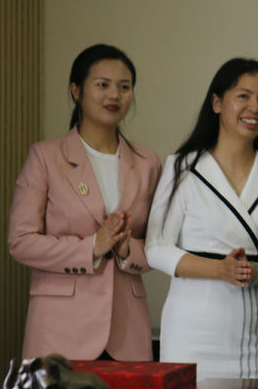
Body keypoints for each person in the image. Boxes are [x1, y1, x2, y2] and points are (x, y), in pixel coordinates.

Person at [8, 44, 161, 361]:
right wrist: (91, 247)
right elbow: (21, 242)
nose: (114, 95)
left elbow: (161, 246)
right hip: (59, 330)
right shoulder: (45, 157)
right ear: (76, 90)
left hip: (126, 333)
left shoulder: (147, 163)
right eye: (103, 85)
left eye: (124, 87)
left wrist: (127, 250)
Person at [146, 59, 258, 380]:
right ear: (216, 103)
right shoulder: (182, 167)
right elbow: (156, 248)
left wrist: (255, 272)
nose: (254, 107)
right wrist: (220, 270)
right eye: (243, 96)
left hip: (256, 335)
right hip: (191, 331)